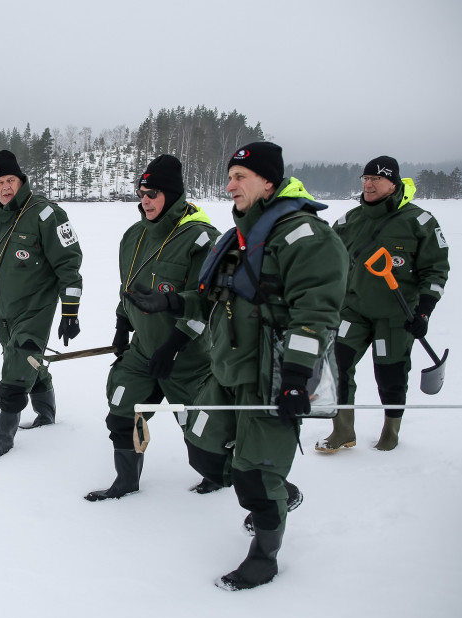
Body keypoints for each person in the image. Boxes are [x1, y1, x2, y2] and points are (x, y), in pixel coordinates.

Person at [125, 142, 348, 590]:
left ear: (269, 181)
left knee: (254, 478)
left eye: (239, 177)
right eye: (229, 177)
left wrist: (296, 380)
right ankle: (276, 490)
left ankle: (265, 556)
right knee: (203, 448)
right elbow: (211, 295)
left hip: (271, 378)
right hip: (227, 370)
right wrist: (168, 300)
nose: (229, 186)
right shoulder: (239, 238)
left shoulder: (306, 236)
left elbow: (316, 316)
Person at [84, 154, 221, 502]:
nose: (145, 199)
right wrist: (121, 324)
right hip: (143, 350)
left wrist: (175, 343)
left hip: (187, 357)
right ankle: (126, 482)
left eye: (154, 193)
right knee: (121, 413)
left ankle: (219, 477)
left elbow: (210, 304)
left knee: (203, 434)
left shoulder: (202, 240)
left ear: (173, 196)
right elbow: (128, 287)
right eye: (142, 192)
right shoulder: (133, 236)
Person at [0, 150, 83, 459]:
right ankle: (47, 413)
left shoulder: (46, 214)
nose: (5, 187)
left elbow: (69, 265)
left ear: (21, 180)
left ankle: (4, 433)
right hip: (3, 307)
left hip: (37, 305)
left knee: (20, 357)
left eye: (10, 180)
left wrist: (70, 312)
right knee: (23, 358)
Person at [316, 156, 450, 453]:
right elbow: (326, 259)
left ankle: (390, 431)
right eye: (365, 178)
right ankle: (342, 430)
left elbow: (436, 271)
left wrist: (424, 310)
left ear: (393, 183)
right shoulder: (349, 220)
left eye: (376, 179)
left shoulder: (420, 222)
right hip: (353, 311)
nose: (368, 184)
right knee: (337, 367)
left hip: (396, 316)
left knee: (390, 374)